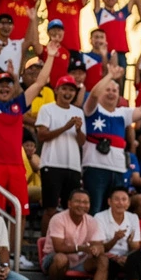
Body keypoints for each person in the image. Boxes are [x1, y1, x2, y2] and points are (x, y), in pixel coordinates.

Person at [0, 34, 60, 216]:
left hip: (16, 165)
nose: (4, 87)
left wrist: (51, 56)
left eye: (8, 83)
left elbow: (40, 83)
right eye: (0, 83)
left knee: (20, 212)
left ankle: (14, 238)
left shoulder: (18, 105)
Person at [84, 60, 141, 211]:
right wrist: (110, 75)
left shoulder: (122, 113)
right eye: (108, 90)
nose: (111, 93)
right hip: (95, 168)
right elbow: (94, 94)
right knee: (95, 209)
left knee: (114, 212)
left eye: (115, 91)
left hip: (117, 169)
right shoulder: (92, 109)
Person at [35, 74, 87, 228]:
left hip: (73, 166)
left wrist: (78, 130)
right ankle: (45, 241)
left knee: (71, 209)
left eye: (71, 90)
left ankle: (68, 239)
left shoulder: (78, 112)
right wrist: (66, 127)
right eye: (64, 89)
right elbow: (42, 135)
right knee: (50, 208)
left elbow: (82, 142)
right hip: (52, 164)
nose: (68, 93)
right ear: (56, 90)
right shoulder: (47, 109)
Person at [43, 189, 109, 280]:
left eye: (85, 202)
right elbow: (58, 247)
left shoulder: (92, 221)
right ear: (69, 203)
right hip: (54, 259)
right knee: (61, 258)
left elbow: (99, 245)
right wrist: (81, 248)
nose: (82, 205)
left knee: (103, 260)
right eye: (78, 201)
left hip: (81, 261)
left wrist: (96, 249)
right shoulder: (58, 218)